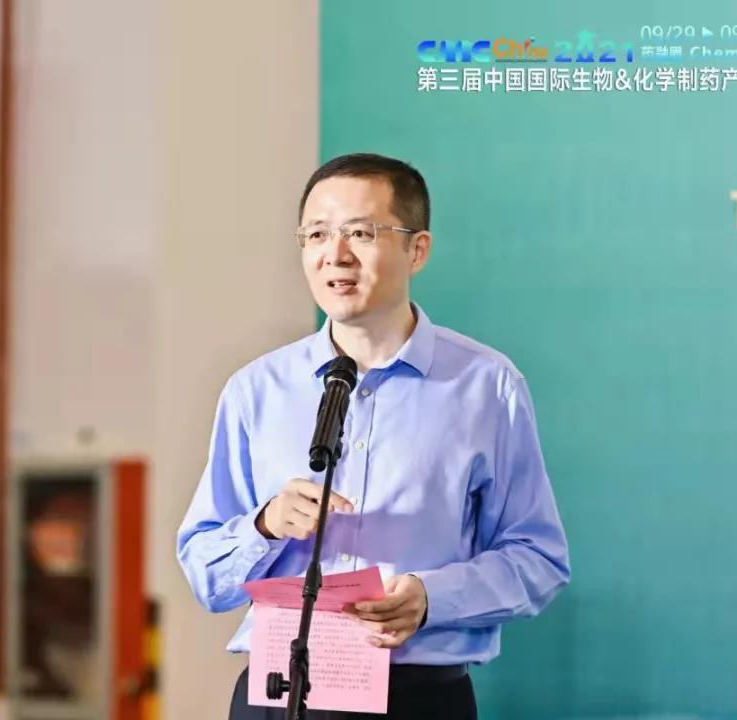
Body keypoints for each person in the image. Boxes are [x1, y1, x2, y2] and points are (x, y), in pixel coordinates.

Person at [177, 153, 570, 719]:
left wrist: (432, 598)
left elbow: (538, 559)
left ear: (417, 249)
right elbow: (205, 572)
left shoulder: (486, 387)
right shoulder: (256, 390)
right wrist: (265, 525)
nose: (335, 254)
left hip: (417, 697)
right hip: (278, 696)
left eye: (360, 233)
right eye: (317, 234)